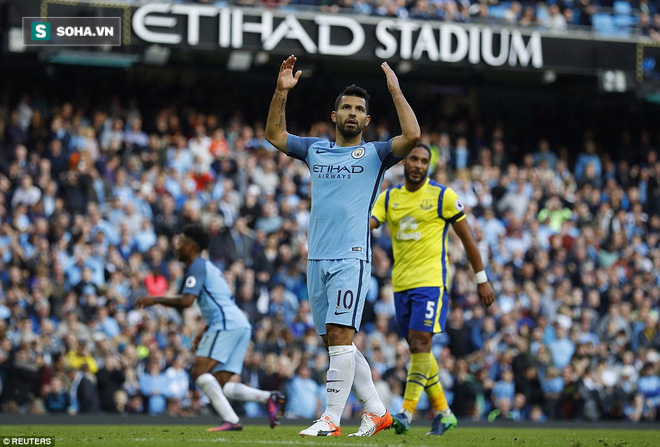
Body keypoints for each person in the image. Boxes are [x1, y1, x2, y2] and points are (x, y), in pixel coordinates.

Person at [265, 54, 420, 437]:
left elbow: (413, 136)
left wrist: (396, 91)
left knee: (340, 337)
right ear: (335, 116)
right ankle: (378, 412)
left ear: (367, 121)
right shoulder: (315, 150)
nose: (352, 113)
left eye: (359, 110)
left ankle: (331, 419)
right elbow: (275, 136)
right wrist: (281, 92)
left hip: (351, 257)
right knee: (337, 343)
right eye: (346, 107)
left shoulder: (375, 155)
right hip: (315, 257)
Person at [370, 143, 495, 435]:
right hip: (400, 285)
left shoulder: (443, 197)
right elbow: (370, 223)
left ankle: (405, 413)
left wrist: (481, 278)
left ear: (429, 166)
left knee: (420, 344)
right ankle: (444, 412)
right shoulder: (389, 198)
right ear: (404, 162)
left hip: (432, 282)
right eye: (413, 159)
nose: (417, 164)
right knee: (418, 349)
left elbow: (468, 239)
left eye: (423, 161)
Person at [135, 224, 286, 431]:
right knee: (220, 384)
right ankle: (269, 397)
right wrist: (206, 331)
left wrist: (156, 300)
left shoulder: (197, 265)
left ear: (191, 245)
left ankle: (232, 420)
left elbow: (188, 301)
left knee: (198, 372)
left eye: (181, 242)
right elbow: (219, 302)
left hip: (226, 323)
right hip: (239, 324)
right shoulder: (210, 267)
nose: (177, 246)